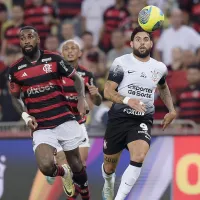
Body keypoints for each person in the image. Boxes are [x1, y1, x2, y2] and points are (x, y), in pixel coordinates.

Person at [8, 26, 89, 198]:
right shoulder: (15, 70)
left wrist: (81, 99)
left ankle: (86, 194)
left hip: (64, 119)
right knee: (46, 167)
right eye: (23, 38)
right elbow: (14, 97)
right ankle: (63, 173)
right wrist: (25, 116)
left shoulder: (54, 58)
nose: (26, 41)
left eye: (30, 37)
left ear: (37, 39)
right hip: (41, 125)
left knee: (77, 164)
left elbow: (77, 78)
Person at [101, 26, 177, 200]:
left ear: (151, 43)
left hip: (141, 119)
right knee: (109, 167)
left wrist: (171, 110)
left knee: (140, 155)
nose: (142, 43)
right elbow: (107, 91)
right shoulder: (121, 62)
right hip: (118, 119)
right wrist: (128, 100)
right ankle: (108, 181)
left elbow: (163, 88)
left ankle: (119, 198)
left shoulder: (159, 67)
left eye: (145, 40)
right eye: (138, 40)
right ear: (131, 43)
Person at [46, 39, 102, 200]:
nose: (70, 51)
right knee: (67, 166)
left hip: (79, 125)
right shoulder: (54, 74)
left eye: (73, 48)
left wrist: (96, 94)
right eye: (66, 48)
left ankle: (79, 196)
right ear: (61, 53)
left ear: (80, 53)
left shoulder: (86, 74)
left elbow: (97, 102)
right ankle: (53, 168)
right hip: (59, 125)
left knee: (80, 167)